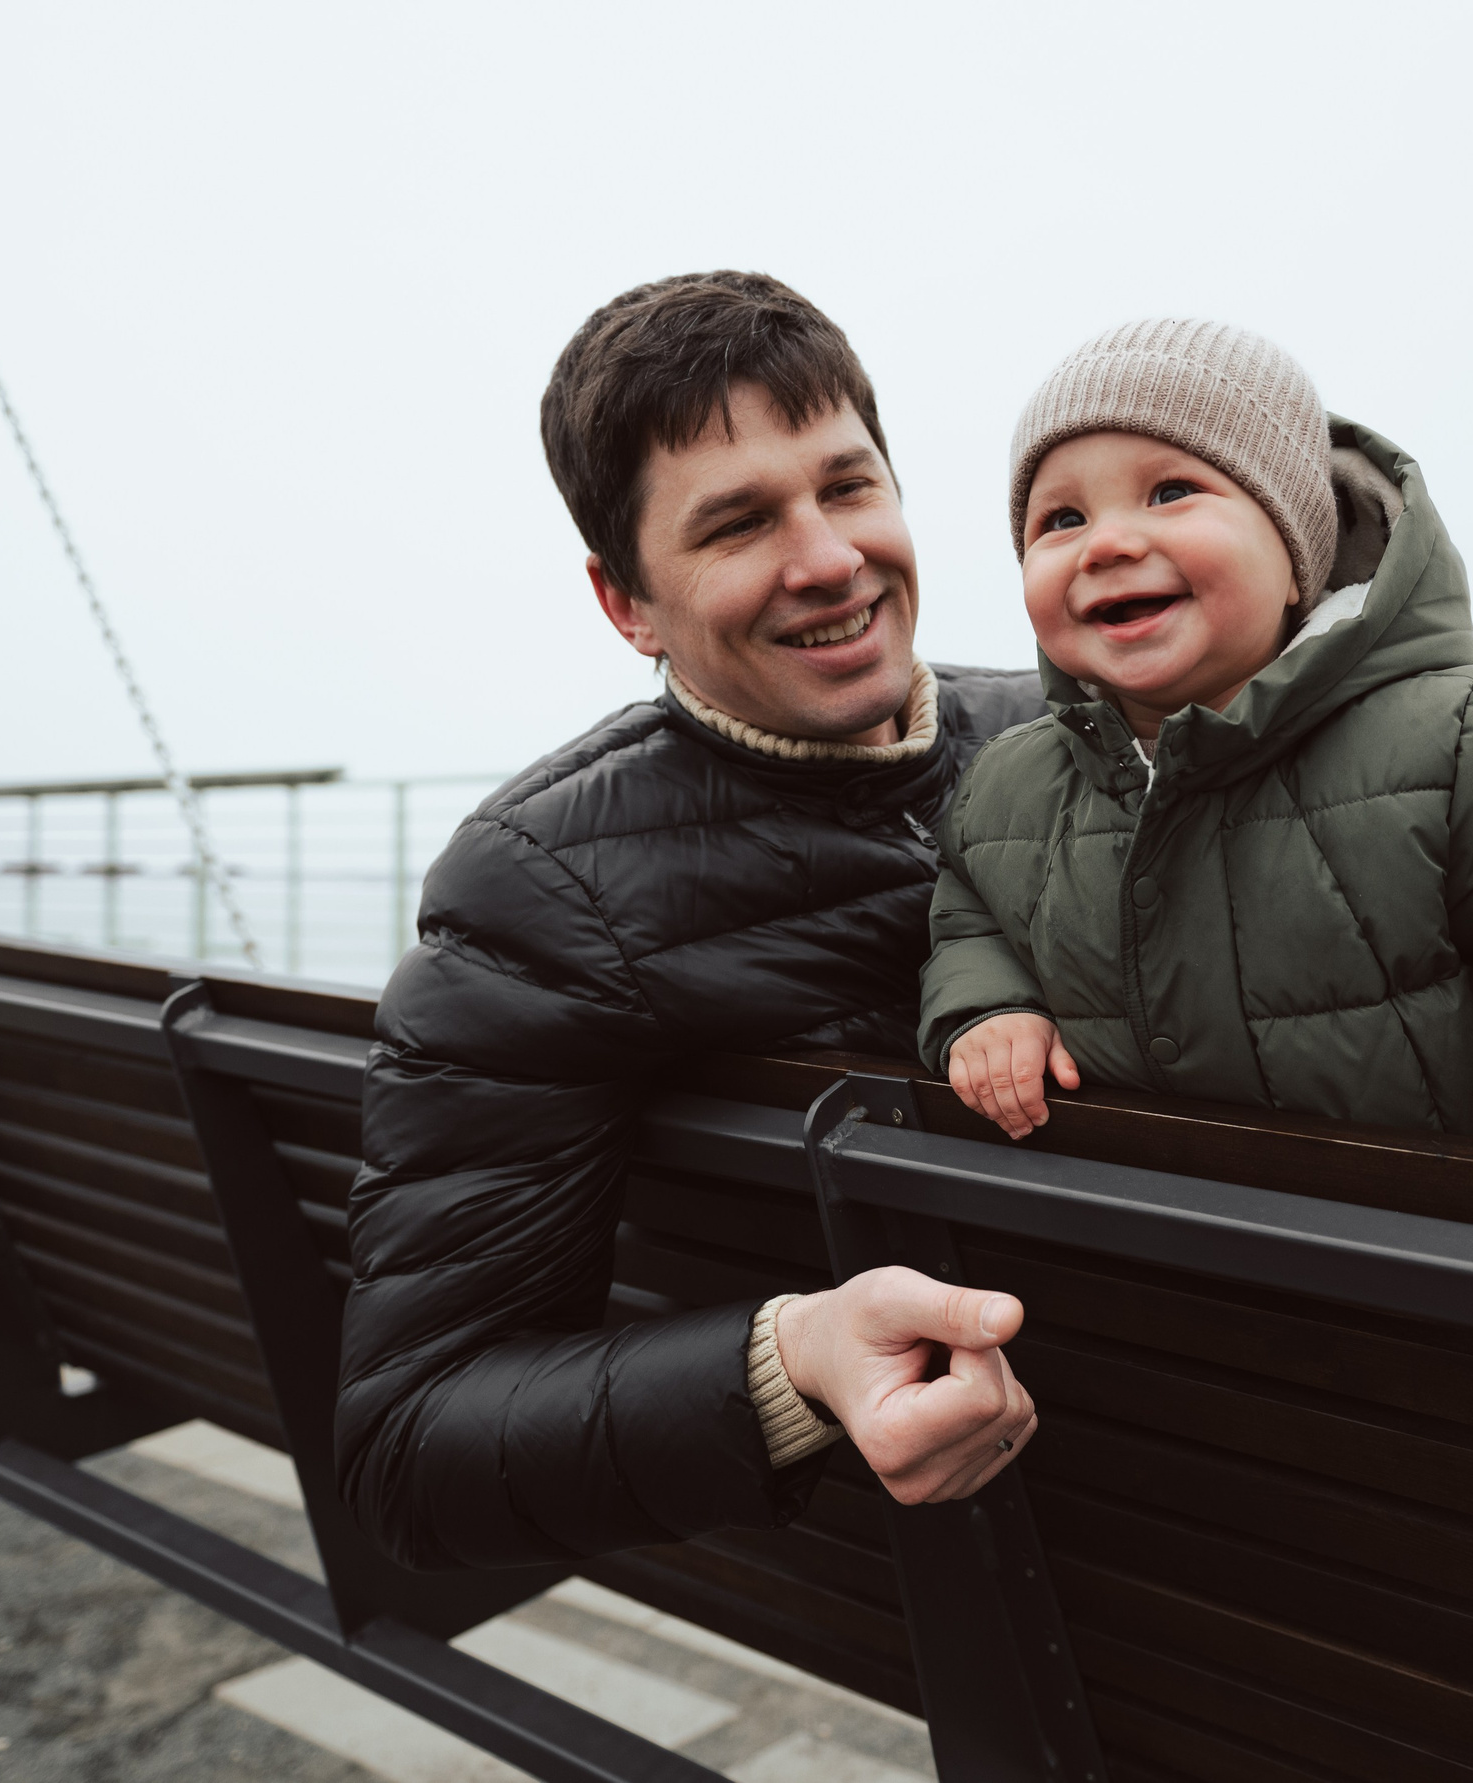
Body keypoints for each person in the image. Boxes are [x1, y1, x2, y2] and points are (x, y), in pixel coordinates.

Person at [336, 272, 1048, 1572]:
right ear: (626, 603)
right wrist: (795, 1358)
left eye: (847, 485)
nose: (829, 557)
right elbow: (410, 1445)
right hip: (1007, 1559)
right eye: (738, 524)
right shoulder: (546, 889)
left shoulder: (1083, 731)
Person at [924, 319, 1473, 1251]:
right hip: (1180, 1267)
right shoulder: (1013, 782)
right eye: (1061, 519)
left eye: (1171, 491)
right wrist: (990, 1006)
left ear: (1296, 558)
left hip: (1468, 1263)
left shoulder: (1459, 734)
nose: (1108, 541)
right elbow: (973, 907)